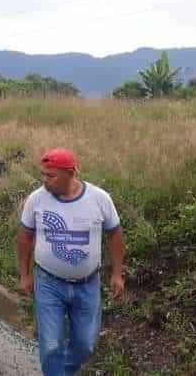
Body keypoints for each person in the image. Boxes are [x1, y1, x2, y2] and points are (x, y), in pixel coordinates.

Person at [17, 148, 125, 376]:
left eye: (51, 175)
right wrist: (25, 275)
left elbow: (115, 234)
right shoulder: (36, 200)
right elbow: (25, 237)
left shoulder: (99, 198)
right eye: (43, 175)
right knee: (51, 344)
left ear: (71, 173)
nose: (44, 180)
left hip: (88, 285)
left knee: (85, 344)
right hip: (48, 283)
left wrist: (117, 273)